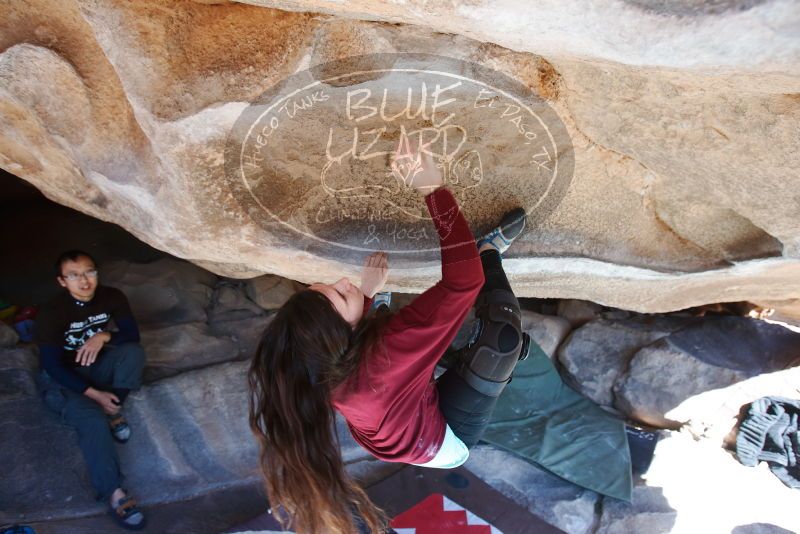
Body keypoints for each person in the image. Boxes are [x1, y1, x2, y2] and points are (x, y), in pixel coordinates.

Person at [248, 151, 530, 533]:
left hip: (395, 410)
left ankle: (392, 318)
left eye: (328, 285)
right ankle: (490, 252)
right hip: (445, 438)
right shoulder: (385, 357)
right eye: (337, 294)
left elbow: (367, 347)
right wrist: (433, 189)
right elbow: (465, 281)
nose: (343, 282)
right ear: (337, 336)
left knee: (418, 339)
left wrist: (366, 296)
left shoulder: (318, 370)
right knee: (501, 343)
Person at [34, 250, 147, 531]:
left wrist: (103, 335)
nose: (84, 280)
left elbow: (132, 336)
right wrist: (93, 394)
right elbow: (51, 364)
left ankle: (113, 408)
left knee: (132, 353)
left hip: (94, 365)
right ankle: (114, 493)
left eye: (89, 272)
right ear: (62, 281)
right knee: (92, 422)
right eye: (74, 275)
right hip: (61, 378)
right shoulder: (51, 312)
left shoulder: (112, 296)